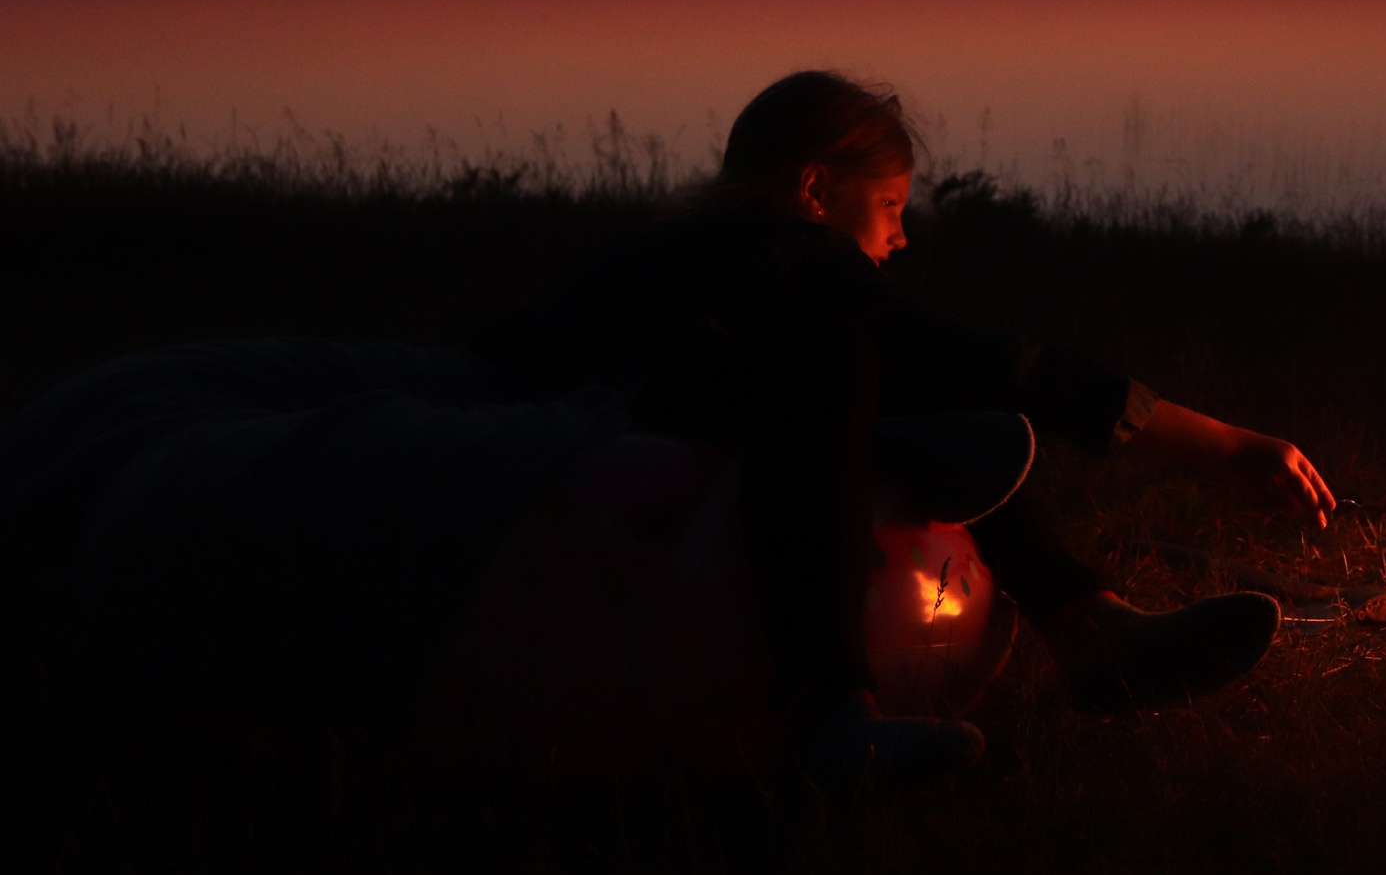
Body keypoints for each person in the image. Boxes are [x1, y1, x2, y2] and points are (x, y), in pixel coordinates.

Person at [480, 70, 1336, 777]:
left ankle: (1091, 627)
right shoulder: (788, 255)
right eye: (891, 206)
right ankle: (830, 712)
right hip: (600, 461)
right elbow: (998, 364)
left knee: (901, 377)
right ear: (816, 189)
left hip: (612, 427)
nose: (899, 239)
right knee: (857, 357)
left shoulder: (677, 252)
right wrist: (1225, 446)